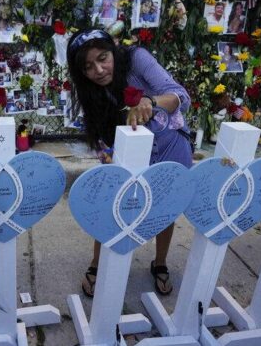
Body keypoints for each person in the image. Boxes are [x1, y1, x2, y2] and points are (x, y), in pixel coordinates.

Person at [66, 29, 192, 297]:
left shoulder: (137, 59)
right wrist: (109, 155)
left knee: (166, 208)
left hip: (170, 145)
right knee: (110, 202)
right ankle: (97, 263)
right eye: (89, 67)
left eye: (103, 58)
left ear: (113, 51)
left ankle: (160, 263)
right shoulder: (90, 91)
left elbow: (181, 96)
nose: (99, 70)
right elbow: (102, 136)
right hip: (130, 150)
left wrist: (150, 101)